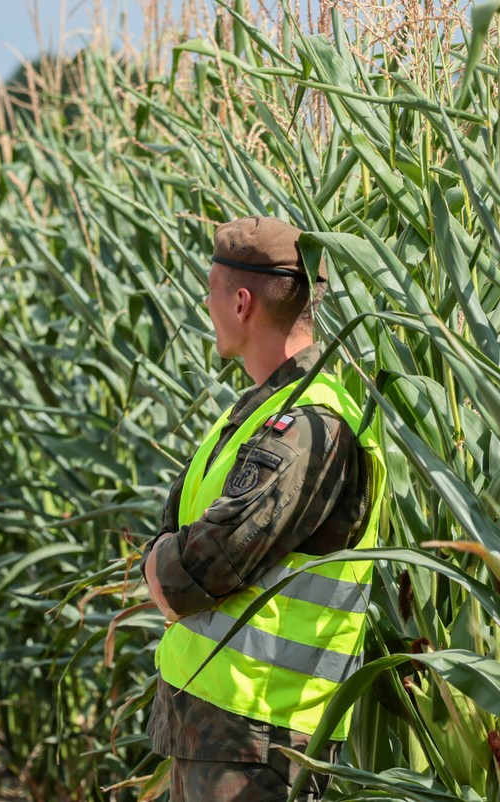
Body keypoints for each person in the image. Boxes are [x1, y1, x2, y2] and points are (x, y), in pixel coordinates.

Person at [141, 216, 387, 801]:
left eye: (211, 290)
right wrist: (167, 554)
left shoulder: (309, 425)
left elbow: (201, 567)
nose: (206, 303)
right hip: (218, 728)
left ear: (243, 302)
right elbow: (181, 523)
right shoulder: (264, 407)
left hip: (258, 740)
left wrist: (158, 567)